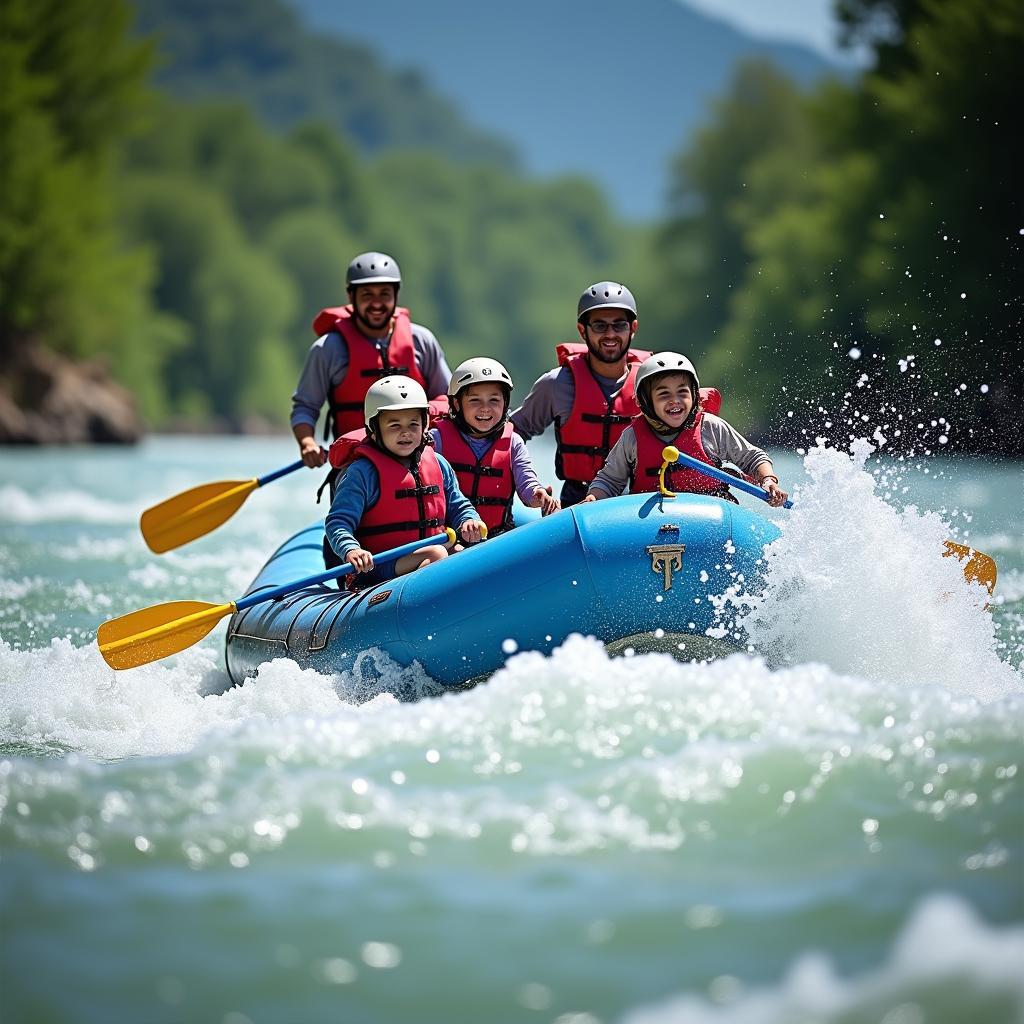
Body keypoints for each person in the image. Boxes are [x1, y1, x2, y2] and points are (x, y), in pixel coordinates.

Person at [291, 251, 452, 469]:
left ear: (396, 295)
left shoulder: (421, 341)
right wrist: (307, 443)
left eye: (384, 294)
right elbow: (305, 407)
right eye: (367, 295)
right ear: (351, 296)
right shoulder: (328, 349)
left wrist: (427, 412)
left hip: (417, 462)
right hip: (356, 466)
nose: (376, 304)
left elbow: (450, 399)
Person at [325, 376, 486, 587]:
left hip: (426, 556)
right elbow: (338, 522)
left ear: (424, 425)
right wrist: (351, 549)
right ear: (374, 429)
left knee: (460, 553)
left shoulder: (438, 464)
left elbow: (458, 505)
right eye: (394, 425)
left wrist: (468, 519)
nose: (406, 432)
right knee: (438, 553)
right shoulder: (362, 474)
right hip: (377, 566)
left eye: (413, 424)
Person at [509, 281, 650, 508]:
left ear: (633, 328)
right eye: (600, 326)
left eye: (619, 325)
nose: (610, 334)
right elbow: (510, 435)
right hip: (577, 503)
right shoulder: (557, 384)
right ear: (582, 330)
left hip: (638, 507)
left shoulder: (651, 385)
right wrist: (529, 484)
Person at [583, 352, 788, 506]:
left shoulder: (711, 427)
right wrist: (593, 498)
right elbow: (609, 481)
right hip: (650, 524)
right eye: (664, 394)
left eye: (682, 392)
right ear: (645, 402)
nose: (675, 401)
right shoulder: (631, 438)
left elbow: (753, 458)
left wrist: (768, 480)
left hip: (710, 515)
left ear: (694, 395)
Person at [431, 358, 560, 535]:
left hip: (495, 538)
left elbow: (526, 481)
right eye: (475, 400)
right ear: (456, 404)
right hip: (450, 538)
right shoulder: (436, 440)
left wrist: (537, 494)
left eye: (494, 400)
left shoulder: (513, 442)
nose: (485, 408)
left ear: (505, 403)